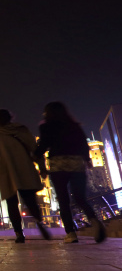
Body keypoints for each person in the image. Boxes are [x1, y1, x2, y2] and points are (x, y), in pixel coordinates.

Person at [34, 102, 106, 243]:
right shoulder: (74, 125)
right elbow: (83, 144)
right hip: (76, 163)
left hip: (58, 164)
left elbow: (44, 143)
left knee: (63, 199)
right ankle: (94, 219)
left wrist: (35, 155)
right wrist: (87, 159)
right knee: (80, 197)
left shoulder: (46, 125)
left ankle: (71, 233)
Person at [0, 109, 50, 243]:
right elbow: (35, 149)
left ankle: (19, 233)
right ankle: (39, 221)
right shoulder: (21, 130)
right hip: (24, 167)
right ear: (11, 118)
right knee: (29, 199)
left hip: (6, 171)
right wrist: (42, 168)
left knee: (12, 202)